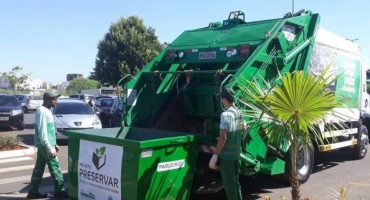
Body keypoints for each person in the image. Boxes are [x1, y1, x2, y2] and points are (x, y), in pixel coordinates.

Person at [27, 92, 69, 199]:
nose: (56, 101)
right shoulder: (42, 111)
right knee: (55, 168)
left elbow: (50, 130)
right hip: (45, 146)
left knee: (39, 168)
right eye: (54, 99)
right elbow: (42, 132)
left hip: (45, 145)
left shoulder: (47, 111)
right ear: (46, 99)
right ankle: (60, 191)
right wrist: (49, 147)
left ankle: (33, 191)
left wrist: (54, 144)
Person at [209, 87, 245, 200]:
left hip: (227, 157)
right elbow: (243, 128)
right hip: (236, 155)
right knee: (236, 183)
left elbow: (222, 138)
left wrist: (215, 155)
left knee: (229, 186)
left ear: (224, 99)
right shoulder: (239, 112)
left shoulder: (225, 115)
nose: (221, 101)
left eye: (222, 99)